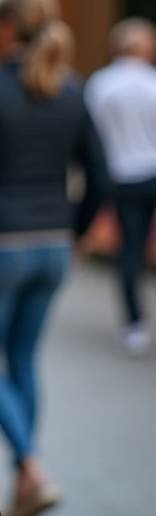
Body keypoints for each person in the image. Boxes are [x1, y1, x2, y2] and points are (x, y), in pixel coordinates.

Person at [0, 0, 109, 516]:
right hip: (54, 244)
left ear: (3, 27)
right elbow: (100, 173)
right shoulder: (71, 89)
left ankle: (32, 467)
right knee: (22, 359)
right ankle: (28, 476)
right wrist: (79, 231)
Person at [85, 18, 156, 356]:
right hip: (150, 173)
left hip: (118, 174)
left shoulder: (102, 83)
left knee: (128, 246)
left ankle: (134, 321)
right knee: (139, 244)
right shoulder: (152, 82)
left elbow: (92, 135)